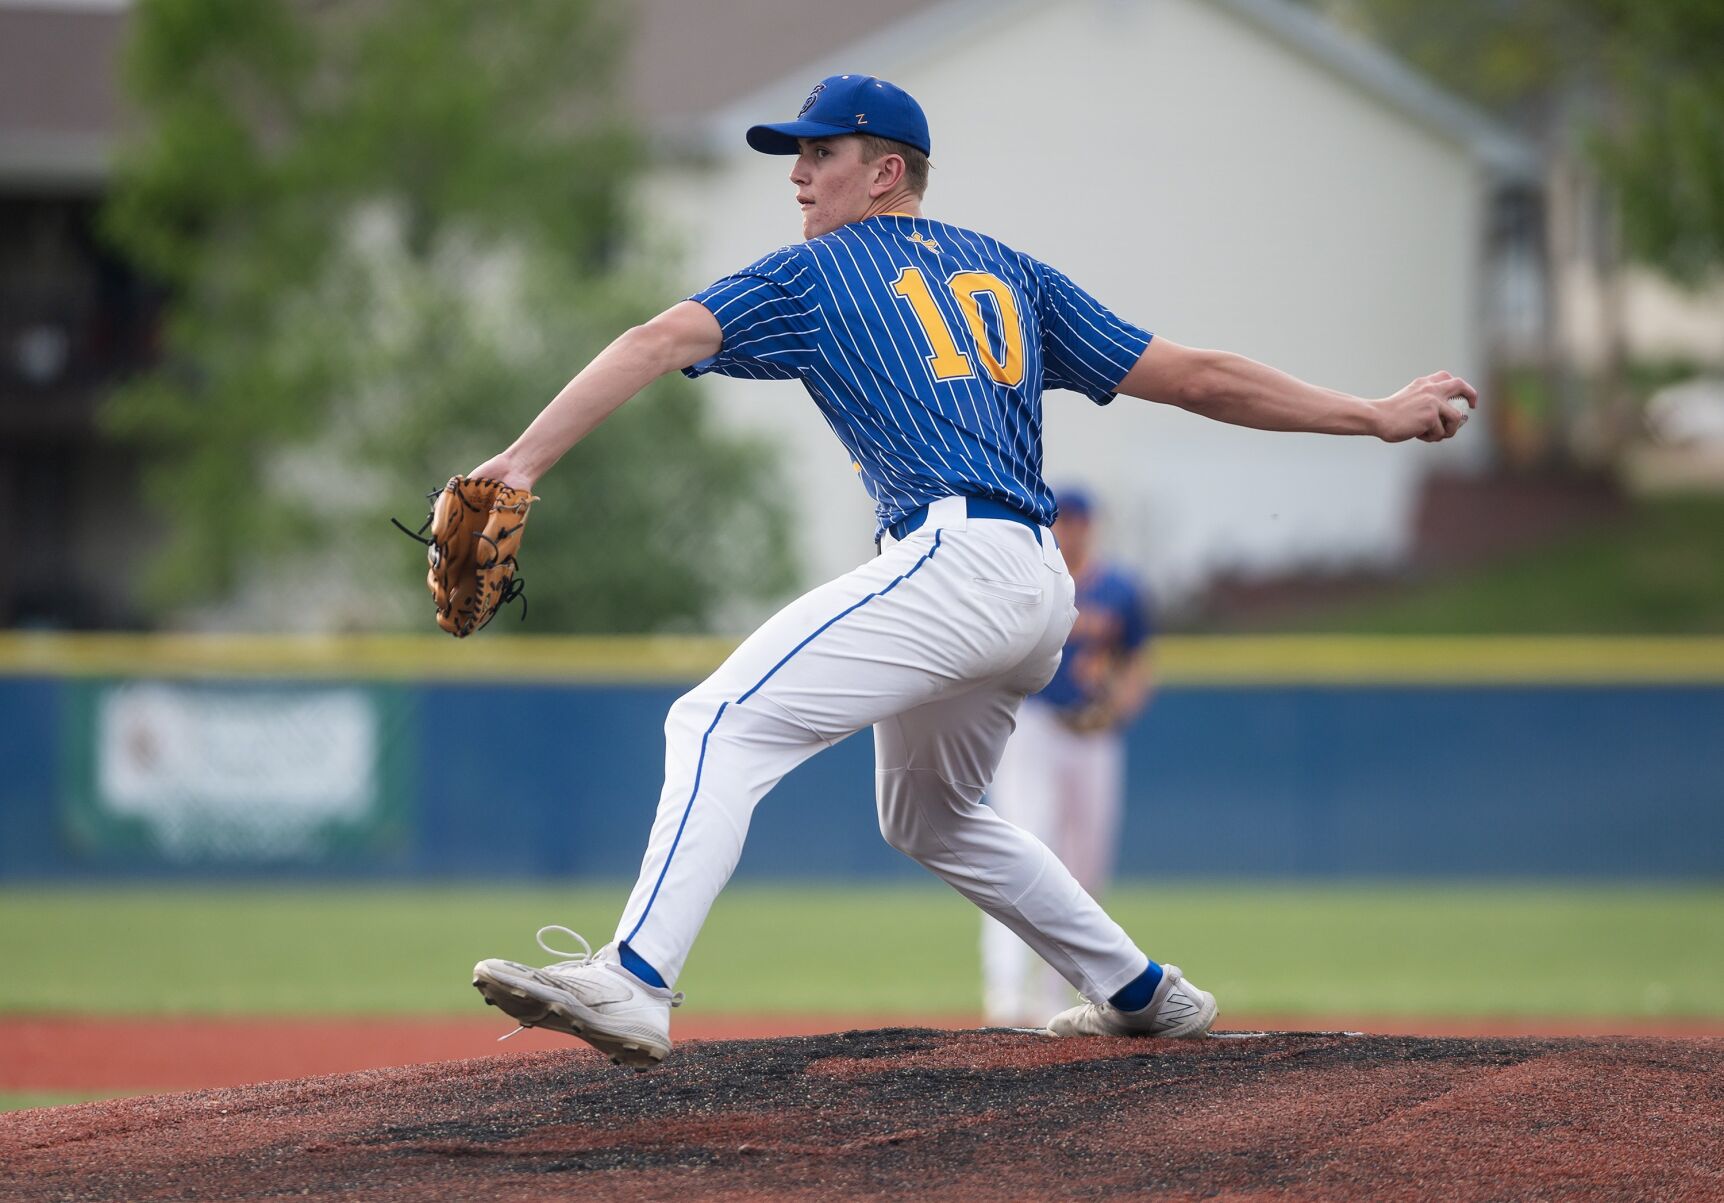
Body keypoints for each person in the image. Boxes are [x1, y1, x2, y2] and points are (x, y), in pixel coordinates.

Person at [468, 73, 1475, 1067]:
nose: (799, 175)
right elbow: (1199, 378)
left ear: (885, 171)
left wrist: (516, 463)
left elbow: (655, 341)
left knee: (716, 721)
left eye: (821, 154)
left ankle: (636, 979)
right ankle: (1141, 993)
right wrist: (1373, 413)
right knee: (930, 813)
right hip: (1034, 587)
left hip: (953, 560)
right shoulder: (1008, 271)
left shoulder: (815, 274)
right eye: (796, 156)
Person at [980, 488, 1155, 1026]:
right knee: (1020, 844)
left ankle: (1060, 996)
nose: (1072, 530)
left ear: (1092, 526)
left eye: (1080, 521)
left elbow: (1139, 661)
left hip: (1092, 736)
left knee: (1086, 863)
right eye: (1065, 521)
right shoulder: (1031, 576)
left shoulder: (1122, 588)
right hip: (1030, 726)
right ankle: (1006, 993)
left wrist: (1120, 706)